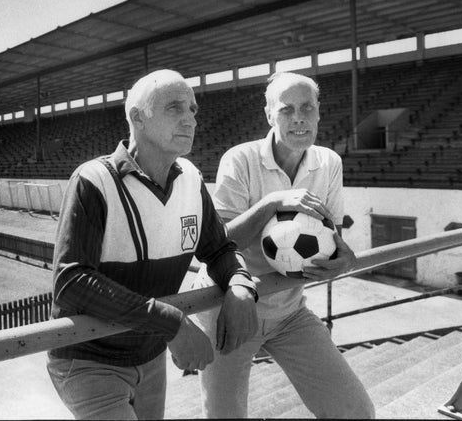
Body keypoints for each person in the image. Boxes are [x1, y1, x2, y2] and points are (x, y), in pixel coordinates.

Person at [46, 69, 259, 420]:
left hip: (149, 355)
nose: (190, 118)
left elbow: (219, 249)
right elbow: (71, 283)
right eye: (175, 108)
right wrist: (171, 323)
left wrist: (240, 285)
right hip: (88, 358)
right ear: (137, 118)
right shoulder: (94, 180)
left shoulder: (190, 178)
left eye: (193, 109)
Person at [191, 71, 375, 419]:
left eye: (307, 108)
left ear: (319, 112)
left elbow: (331, 236)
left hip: (289, 311)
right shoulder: (240, 159)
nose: (299, 118)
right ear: (269, 115)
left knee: (355, 411)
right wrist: (273, 201)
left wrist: (344, 257)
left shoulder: (329, 162)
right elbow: (218, 245)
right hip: (229, 310)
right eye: (287, 109)